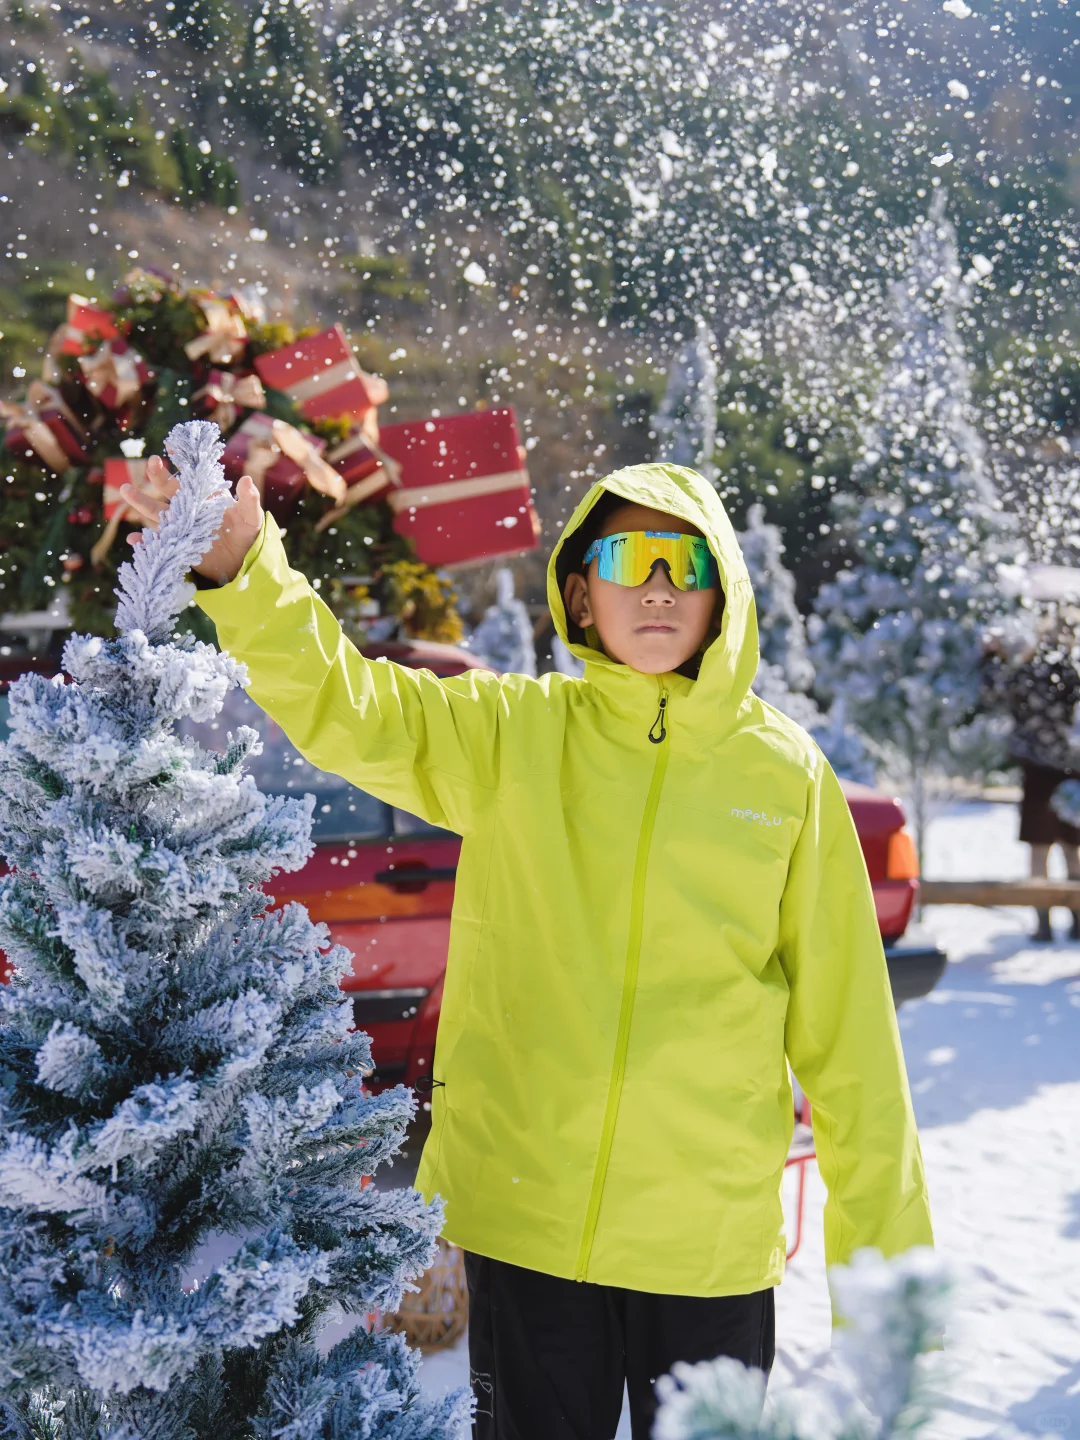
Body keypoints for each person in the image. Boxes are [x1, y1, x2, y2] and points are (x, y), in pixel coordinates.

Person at [123, 458, 933, 1440]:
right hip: (528, 1224)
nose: (658, 587)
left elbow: (854, 1050)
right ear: (582, 593)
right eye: (629, 558)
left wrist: (890, 1306)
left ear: (723, 583)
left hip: (705, 1244)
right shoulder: (517, 735)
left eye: (684, 560)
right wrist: (250, 578)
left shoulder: (786, 776)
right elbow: (354, 709)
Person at [983, 619, 1080, 943]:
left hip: (1041, 767)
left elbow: (994, 692)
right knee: (1070, 847)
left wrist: (993, 657)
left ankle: (1045, 921)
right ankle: (1072, 918)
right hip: (1069, 767)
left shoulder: (1030, 672)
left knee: (1044, 848)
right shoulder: (1071, 672)